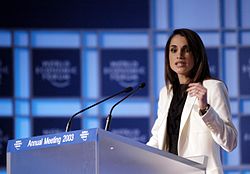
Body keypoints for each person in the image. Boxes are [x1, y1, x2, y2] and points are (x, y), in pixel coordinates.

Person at [147, 28, 237, 174]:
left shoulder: (213, 87)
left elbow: (230, 142)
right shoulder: (166, 93)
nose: (179, 56)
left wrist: (205, 109)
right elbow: (158, 139)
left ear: (196, 54)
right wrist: (133, 156)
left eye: (186, 50)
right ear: (167, 56)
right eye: (173, 50)